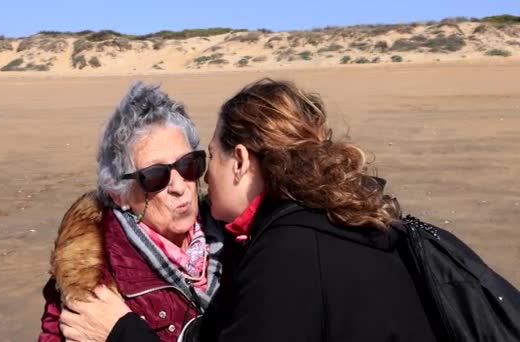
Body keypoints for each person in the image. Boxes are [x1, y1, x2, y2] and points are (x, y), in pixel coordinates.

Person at [58, 79, 442, 341]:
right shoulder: (92, 267)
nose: (186, 185)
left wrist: (124, 333)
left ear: (239, 161)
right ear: (121, 192)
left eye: (196, 163)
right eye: (156, 176)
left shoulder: (282, 252)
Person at [38, 82, 226, 342]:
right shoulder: (93, 278)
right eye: (155, 176)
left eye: (188, 165)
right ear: (119, 193)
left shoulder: (238, 238)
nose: (179, 186)